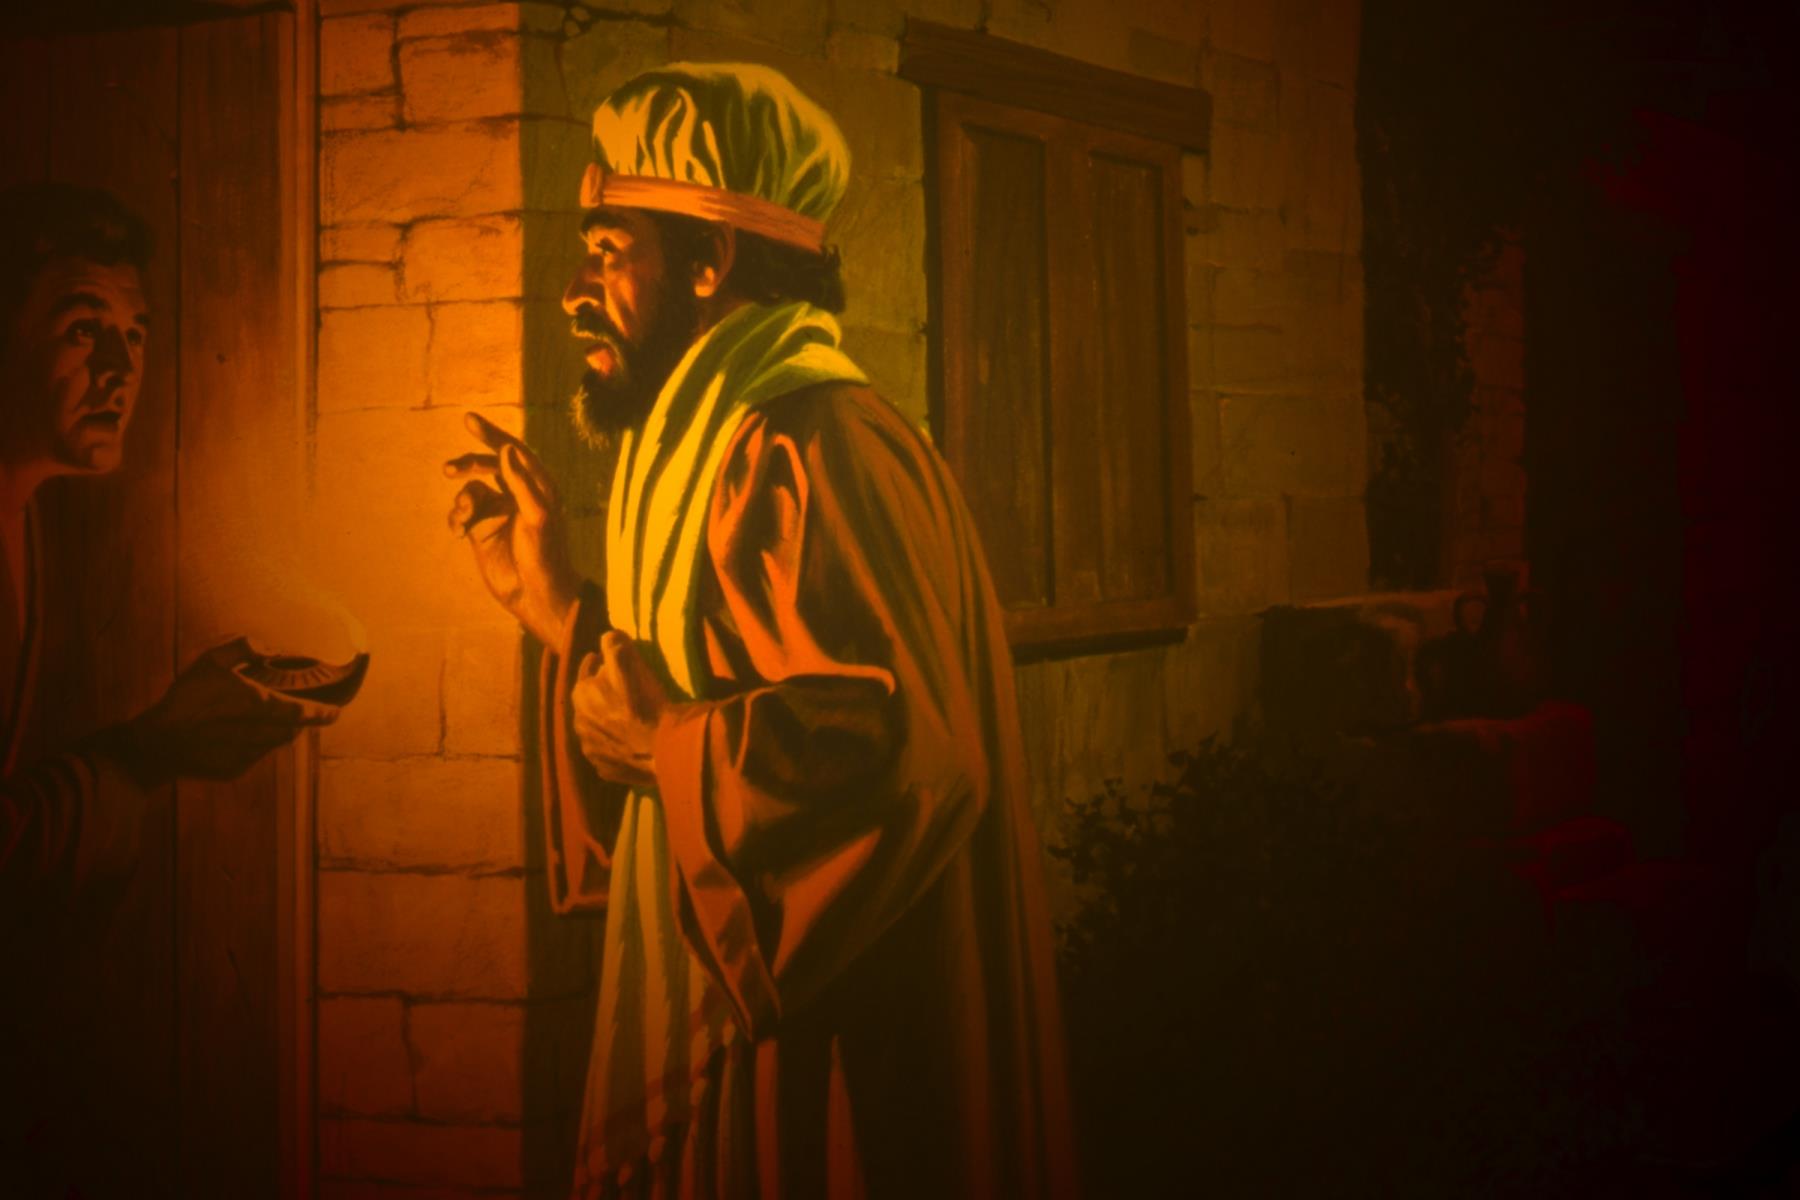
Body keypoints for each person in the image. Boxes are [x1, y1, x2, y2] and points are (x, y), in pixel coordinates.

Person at [446, 64, 1076, 1197]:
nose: (575, 294)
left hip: (825, 1041)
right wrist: (562, 612)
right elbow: (709, 686)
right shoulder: (720, 432)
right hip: (748, 1001)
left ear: (711, 260)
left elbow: (908, 758)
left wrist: (667, 748)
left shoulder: (811, 445)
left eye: (608, 252)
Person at [0, 183, 330, 1188]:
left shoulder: (27, 518)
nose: (118, 370)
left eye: (135, 337)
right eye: (82, 329)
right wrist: (152, 750)